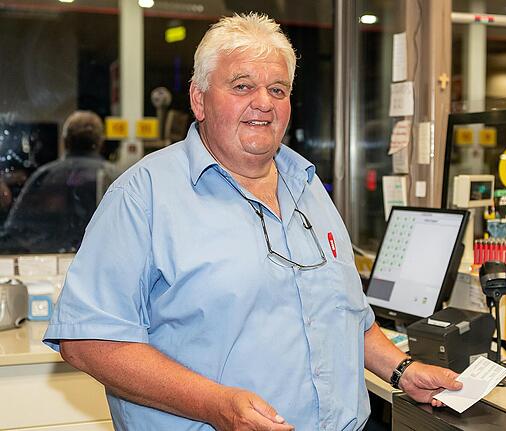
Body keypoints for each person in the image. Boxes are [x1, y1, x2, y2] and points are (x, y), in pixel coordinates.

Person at [43, 13, 462, 431]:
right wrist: (215, 405)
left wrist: (402, 369)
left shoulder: (309, 187)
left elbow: (346, 316)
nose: (264, 102)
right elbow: (87, 340)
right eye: (242, 86)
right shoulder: (143, 195)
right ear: (199, 99)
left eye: (277, 89)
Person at [0, 111, 117, 253]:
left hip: (47, 263)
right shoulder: (116, 177)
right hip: (101, 261)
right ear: (101, 142)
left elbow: (14, 231)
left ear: (65, 141)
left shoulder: (44, 176)